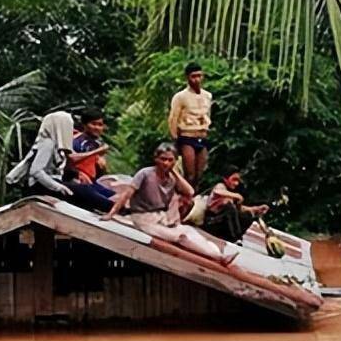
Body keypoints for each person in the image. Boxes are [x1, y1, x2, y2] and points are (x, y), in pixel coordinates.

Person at [102, 143, 237, 265]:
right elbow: (127, 194)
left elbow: (189, 192)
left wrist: (174, 172)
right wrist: (111, 213)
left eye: (170, 160)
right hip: (143, 217)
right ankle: (218, 257)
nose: (166, 163)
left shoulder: (171, 179)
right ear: (156, 159)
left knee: (189, 230)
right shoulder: (145, 173)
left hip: (161, 217)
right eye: (163, 159)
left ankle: (219, 255)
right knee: (180, 237)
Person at [4, 111, 115, 213]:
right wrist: (58, 187)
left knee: (84, 199)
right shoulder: (47, 143)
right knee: (83, 191)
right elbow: (36, 171)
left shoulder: (55, 144)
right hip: (40, 187)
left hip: (51, 184)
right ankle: (116, 207)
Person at [168, 61, 213, 186]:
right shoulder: (180, 96)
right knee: (190, 174)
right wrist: (175, 138)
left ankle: (194, 197)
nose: (197, 80)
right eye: (194, 76)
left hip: (202, 135)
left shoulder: (207, 96)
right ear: (187, 77)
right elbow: (173, 118)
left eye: (199, 76)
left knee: (200, 174)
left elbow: (208, 114)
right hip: (187, 135)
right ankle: (185, 197)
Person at [203, 166, 269, 244]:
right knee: (229, 208)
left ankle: (234, 236)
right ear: (225, 179)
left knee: (246, 215)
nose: (236, 183)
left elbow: (240, 209)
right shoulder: (221, 186)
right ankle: (235, 237)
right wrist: (237, 196)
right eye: (234, 180)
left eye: (237, 180)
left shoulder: (231, 193)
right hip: (212, 222)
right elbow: (217, 191)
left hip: (223, 223)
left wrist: (256, 209)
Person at [68, 108, 117, 209]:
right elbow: (70, 159)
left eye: (100, 125)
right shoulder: (77, 140)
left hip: (92, 182)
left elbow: (98, 173)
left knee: (118, 197)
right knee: (111, 204)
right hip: (76, 181)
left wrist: (102, 165)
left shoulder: (95, 144)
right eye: (93, 124)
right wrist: (97, 152)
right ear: (85, 125)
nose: (97, 128)